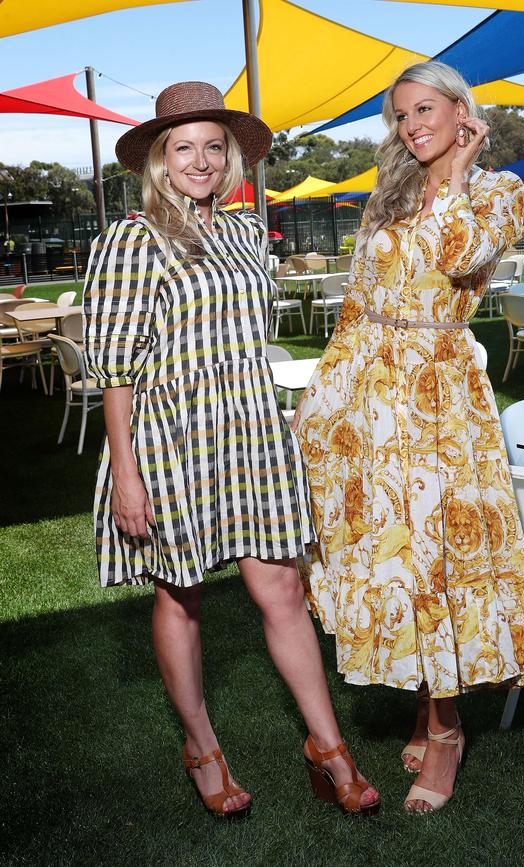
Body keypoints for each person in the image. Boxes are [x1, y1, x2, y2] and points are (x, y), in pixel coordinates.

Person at [83, 81, 379, 820]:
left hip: (249, 426)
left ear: (232, 157)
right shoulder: (131, 238)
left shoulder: (248, 233)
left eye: (214, 146)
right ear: (159, 159)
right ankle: (201, 746)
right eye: (183, 147)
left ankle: (327, 745)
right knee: (180, 595)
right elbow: (115, 367)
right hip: (169, 436)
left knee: (282, 589)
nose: (201, 159)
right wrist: (126, 471)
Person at [293, 60, 524, 814]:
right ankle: (422, 706)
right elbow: (358, 303)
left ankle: (446, 733)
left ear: (460, 112)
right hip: (370, 399)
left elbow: (458, 258)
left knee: (437, 557)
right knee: (394, 554)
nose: (412, 126)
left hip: (439, 406)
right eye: (402, 115)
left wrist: (465, 169)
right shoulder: (392, 190)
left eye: (426, 109)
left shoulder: (499, 193)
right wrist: (323, 394)